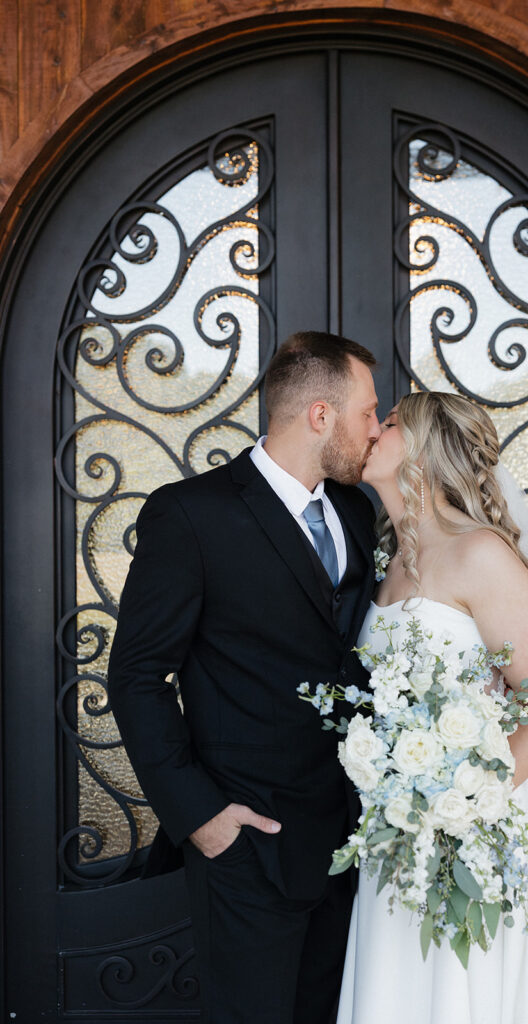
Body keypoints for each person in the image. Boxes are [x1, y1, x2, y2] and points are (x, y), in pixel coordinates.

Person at [337, 391, 528, 1024]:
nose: (373, 429)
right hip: (400, 836)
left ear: (423, 449)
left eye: (391, 422)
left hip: (478, 829)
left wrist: (462, 805)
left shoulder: (480, 554)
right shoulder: (388, 561)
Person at [107, 331, 382, 1024]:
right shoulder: (191, 513)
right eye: (367, 412)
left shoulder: (355, 510)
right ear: (320, 414)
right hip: (247, 842)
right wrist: (201, 817)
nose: (375, 431)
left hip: (351, 840)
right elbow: (138, 674)